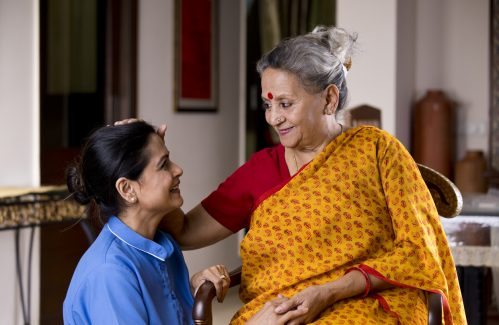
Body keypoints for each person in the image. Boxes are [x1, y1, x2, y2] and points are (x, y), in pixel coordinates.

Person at [118, 26, 466, 324]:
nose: (273, 118)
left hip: (368, 307)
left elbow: (420, 252)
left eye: (285, 104)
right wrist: (144, 163)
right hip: (278, 314)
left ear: (329, 99)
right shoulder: (261, 170)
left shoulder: (378, 151)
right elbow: (185, 231)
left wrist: (330, 291)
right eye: (268, 105)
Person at [63, 121, 230, 324]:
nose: (178, 170)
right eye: (164, 164)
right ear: (127, 189)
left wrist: (190, 290)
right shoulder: (110, 273)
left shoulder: (162, 244)